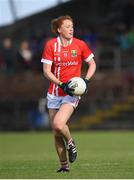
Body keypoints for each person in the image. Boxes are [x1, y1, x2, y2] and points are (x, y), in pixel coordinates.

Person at [41, 15, 96, 173]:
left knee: (58, 124)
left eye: (72, 26)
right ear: (59, 29)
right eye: (67, 26)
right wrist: (61, 84)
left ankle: (71, 143)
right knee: (56, 133)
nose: (71, 29)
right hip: (54, 93)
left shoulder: (80, 44)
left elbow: (92, 64)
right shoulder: (51, 45)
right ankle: (64, 166)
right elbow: (46, 71)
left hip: (71, 93)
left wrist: (85, 80)